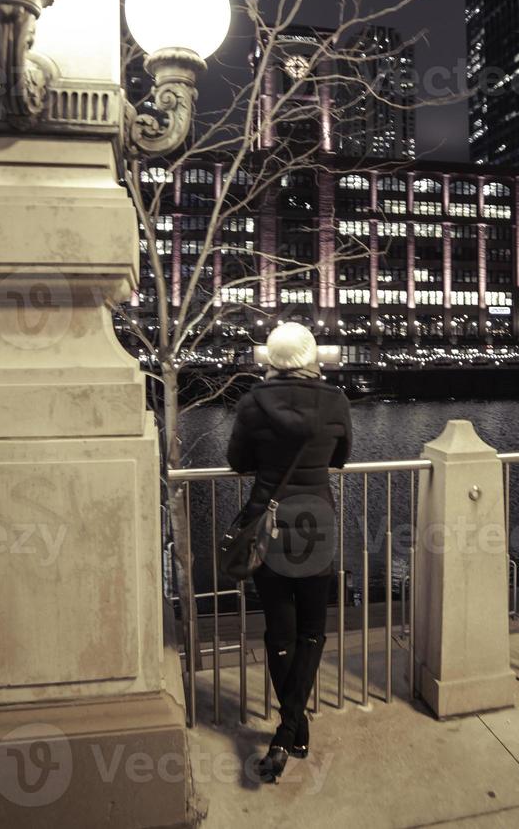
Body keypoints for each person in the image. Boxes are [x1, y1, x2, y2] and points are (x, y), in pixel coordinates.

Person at [227, 322, 351, 783]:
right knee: (313, 630)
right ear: (311, 356)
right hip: (316, 521)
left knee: (280, 632)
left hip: (269, 524)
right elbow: (341, 457)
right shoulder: (336, 400)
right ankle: (289, 731)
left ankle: (290, 729)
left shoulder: (252, 403)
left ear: (270, 359)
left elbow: (237, 462)